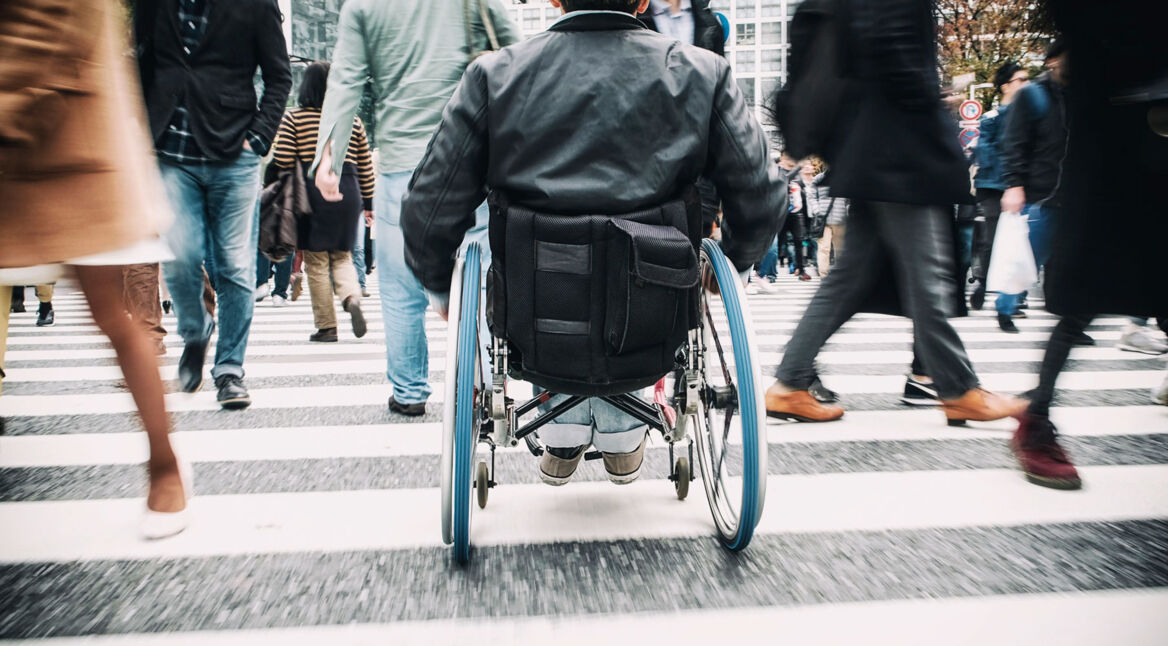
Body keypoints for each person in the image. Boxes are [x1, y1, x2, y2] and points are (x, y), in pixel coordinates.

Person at [399, 0, 781, 485]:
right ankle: (624, 431)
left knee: (551, 272)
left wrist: (438, 287)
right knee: (643, 277)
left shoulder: (493, 76)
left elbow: (428, 208)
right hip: (655, 313)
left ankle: (562, 428)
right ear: (643, 2)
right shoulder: (702, 72)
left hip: (537, 319)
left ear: (556, 0)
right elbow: (762, 193)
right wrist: (737, 265)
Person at [763, 0, 1022, 427]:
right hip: (899, 149)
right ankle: (958, 388)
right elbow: (895, 51)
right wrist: (933, 116)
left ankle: (790, 383)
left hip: (871, 148)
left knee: (849, 280)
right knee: (929, 275)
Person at [1, 0, 190, 538]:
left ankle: (164, 464)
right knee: (117, 316)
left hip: (70, 141)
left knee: (112, 316)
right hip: (26, 130)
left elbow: (51, 27)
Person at [313, 0, 519, 417]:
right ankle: (486, 384)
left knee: (400, 287)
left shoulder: (362, 7)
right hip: (472, 158)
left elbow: (346, 81)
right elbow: (516, 55)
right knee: (479, 280)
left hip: (401, 168)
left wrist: (328, 160)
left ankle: (409, 391)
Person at [1009, 0, 1168, 487]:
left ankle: (1035, 417)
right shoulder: (1043, 90)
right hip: (1112, 147)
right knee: (1081, 300)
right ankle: (1035, 419)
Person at [135, 0, 292, 410]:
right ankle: (196, 329)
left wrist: (258, 138)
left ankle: (229, 371)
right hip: (170, 149)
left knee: (235, 265)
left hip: (233, 151)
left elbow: (279, 76)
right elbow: (142, 61)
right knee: (180, 251)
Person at [996, 42, 1091, 346]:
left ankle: (1071, 322)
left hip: (1075, 194)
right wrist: (1014, 184)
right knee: (1027, 258)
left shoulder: (1082, 93)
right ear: (1052, 60)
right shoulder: (1033, 95)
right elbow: (1014, 142)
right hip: (1041, 193)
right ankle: (1004, 308)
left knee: (1074, 263)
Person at [271, 61, 373, 343]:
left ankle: (327, 326)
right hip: (348, 188)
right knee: (343, 255)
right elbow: (365, 164)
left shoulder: (295, 118)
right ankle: (351, 296)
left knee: (315, 261)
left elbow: (282, 159)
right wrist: (370, 203)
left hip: (310, 189)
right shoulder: (351, 119)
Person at [969, 61, 1028, 311]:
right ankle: (982, 284)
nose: (1026, 85)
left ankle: (1015, 293)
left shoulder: (1029, 117)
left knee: (1021, 240)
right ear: (1005, 86)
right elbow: (986, 151)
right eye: (1020, 80)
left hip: (1021, 187)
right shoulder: (992, 118)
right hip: (993, 186)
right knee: (993, 240)